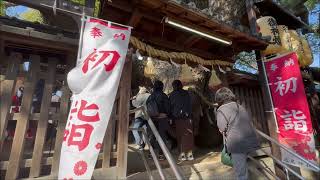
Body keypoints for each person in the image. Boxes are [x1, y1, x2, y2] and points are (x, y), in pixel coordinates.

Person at [215, 87, 259, 180]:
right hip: (250, 140)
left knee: (241, 174)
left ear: (219, 98)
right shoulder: (239, 106)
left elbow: (222, 128)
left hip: (237, 144)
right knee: (243, 167)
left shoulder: (221, 110)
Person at [169, 80, 193, 161]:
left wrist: (171, 117)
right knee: (189, 136)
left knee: (180, 136)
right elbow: (190, 105)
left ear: (174, 86)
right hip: (188, 118)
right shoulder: (187, 93)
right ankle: (190, 155)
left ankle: (182, 155)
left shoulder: (172, 94)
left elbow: (171, 107)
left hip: (178, 118)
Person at [146, 80, 170, 160]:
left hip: (152, 119)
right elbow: (168, 108)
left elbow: (147, 107)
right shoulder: (164, 96)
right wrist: (167, 114)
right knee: (162, 136)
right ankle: (161, 155)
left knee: (152, 136)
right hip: (162, 118)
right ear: (162, 87)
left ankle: (150, 154)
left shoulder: (150, 96)